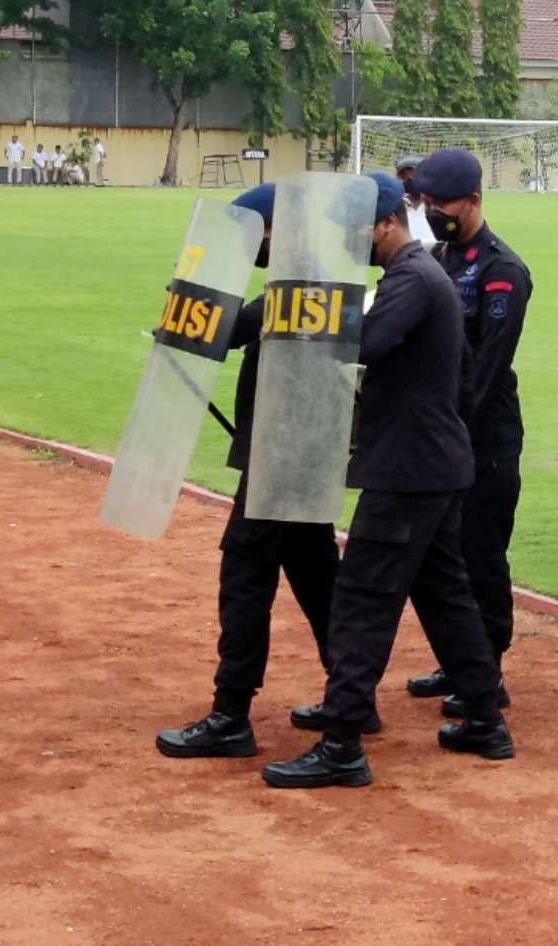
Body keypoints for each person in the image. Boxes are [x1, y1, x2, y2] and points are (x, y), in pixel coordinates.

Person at [264, 173, 513, 788]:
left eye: (356, 229)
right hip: (431, 464)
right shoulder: (422, 275)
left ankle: (343, 739)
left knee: (360, 602)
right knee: (445, 596)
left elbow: (365, 344)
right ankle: (484, 717)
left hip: (408, 471)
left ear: (385, 225)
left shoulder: (410, 279)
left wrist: (308, 323)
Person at [155, 184, 344, 759]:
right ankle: (350, 696)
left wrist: (195, 314)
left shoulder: (301, 286)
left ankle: (231, 713)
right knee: (317, 579)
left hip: (280, 460)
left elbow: (239, 333)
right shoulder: (307, 280)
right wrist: (189, 305)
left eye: (254, 232)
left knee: (245, 576)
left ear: (276, 229)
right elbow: (234, 327)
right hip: (300, 459)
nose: (250, 245)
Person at [402, 149, 533, 717]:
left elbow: (486, 366)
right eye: (424, 204)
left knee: (482, 553)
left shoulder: (502, 271)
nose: (432, 213)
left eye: (442, 205)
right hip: (445, 431)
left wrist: (447, 424)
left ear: (474, 202)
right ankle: (460, 658)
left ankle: (489, 670)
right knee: (446, 554)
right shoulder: (439, 257)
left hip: (485, 435)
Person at [396, 154, 438, 246]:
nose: (409, 181)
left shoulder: (436, 209)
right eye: (404, 177)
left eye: (413, 177)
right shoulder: (393, 211)